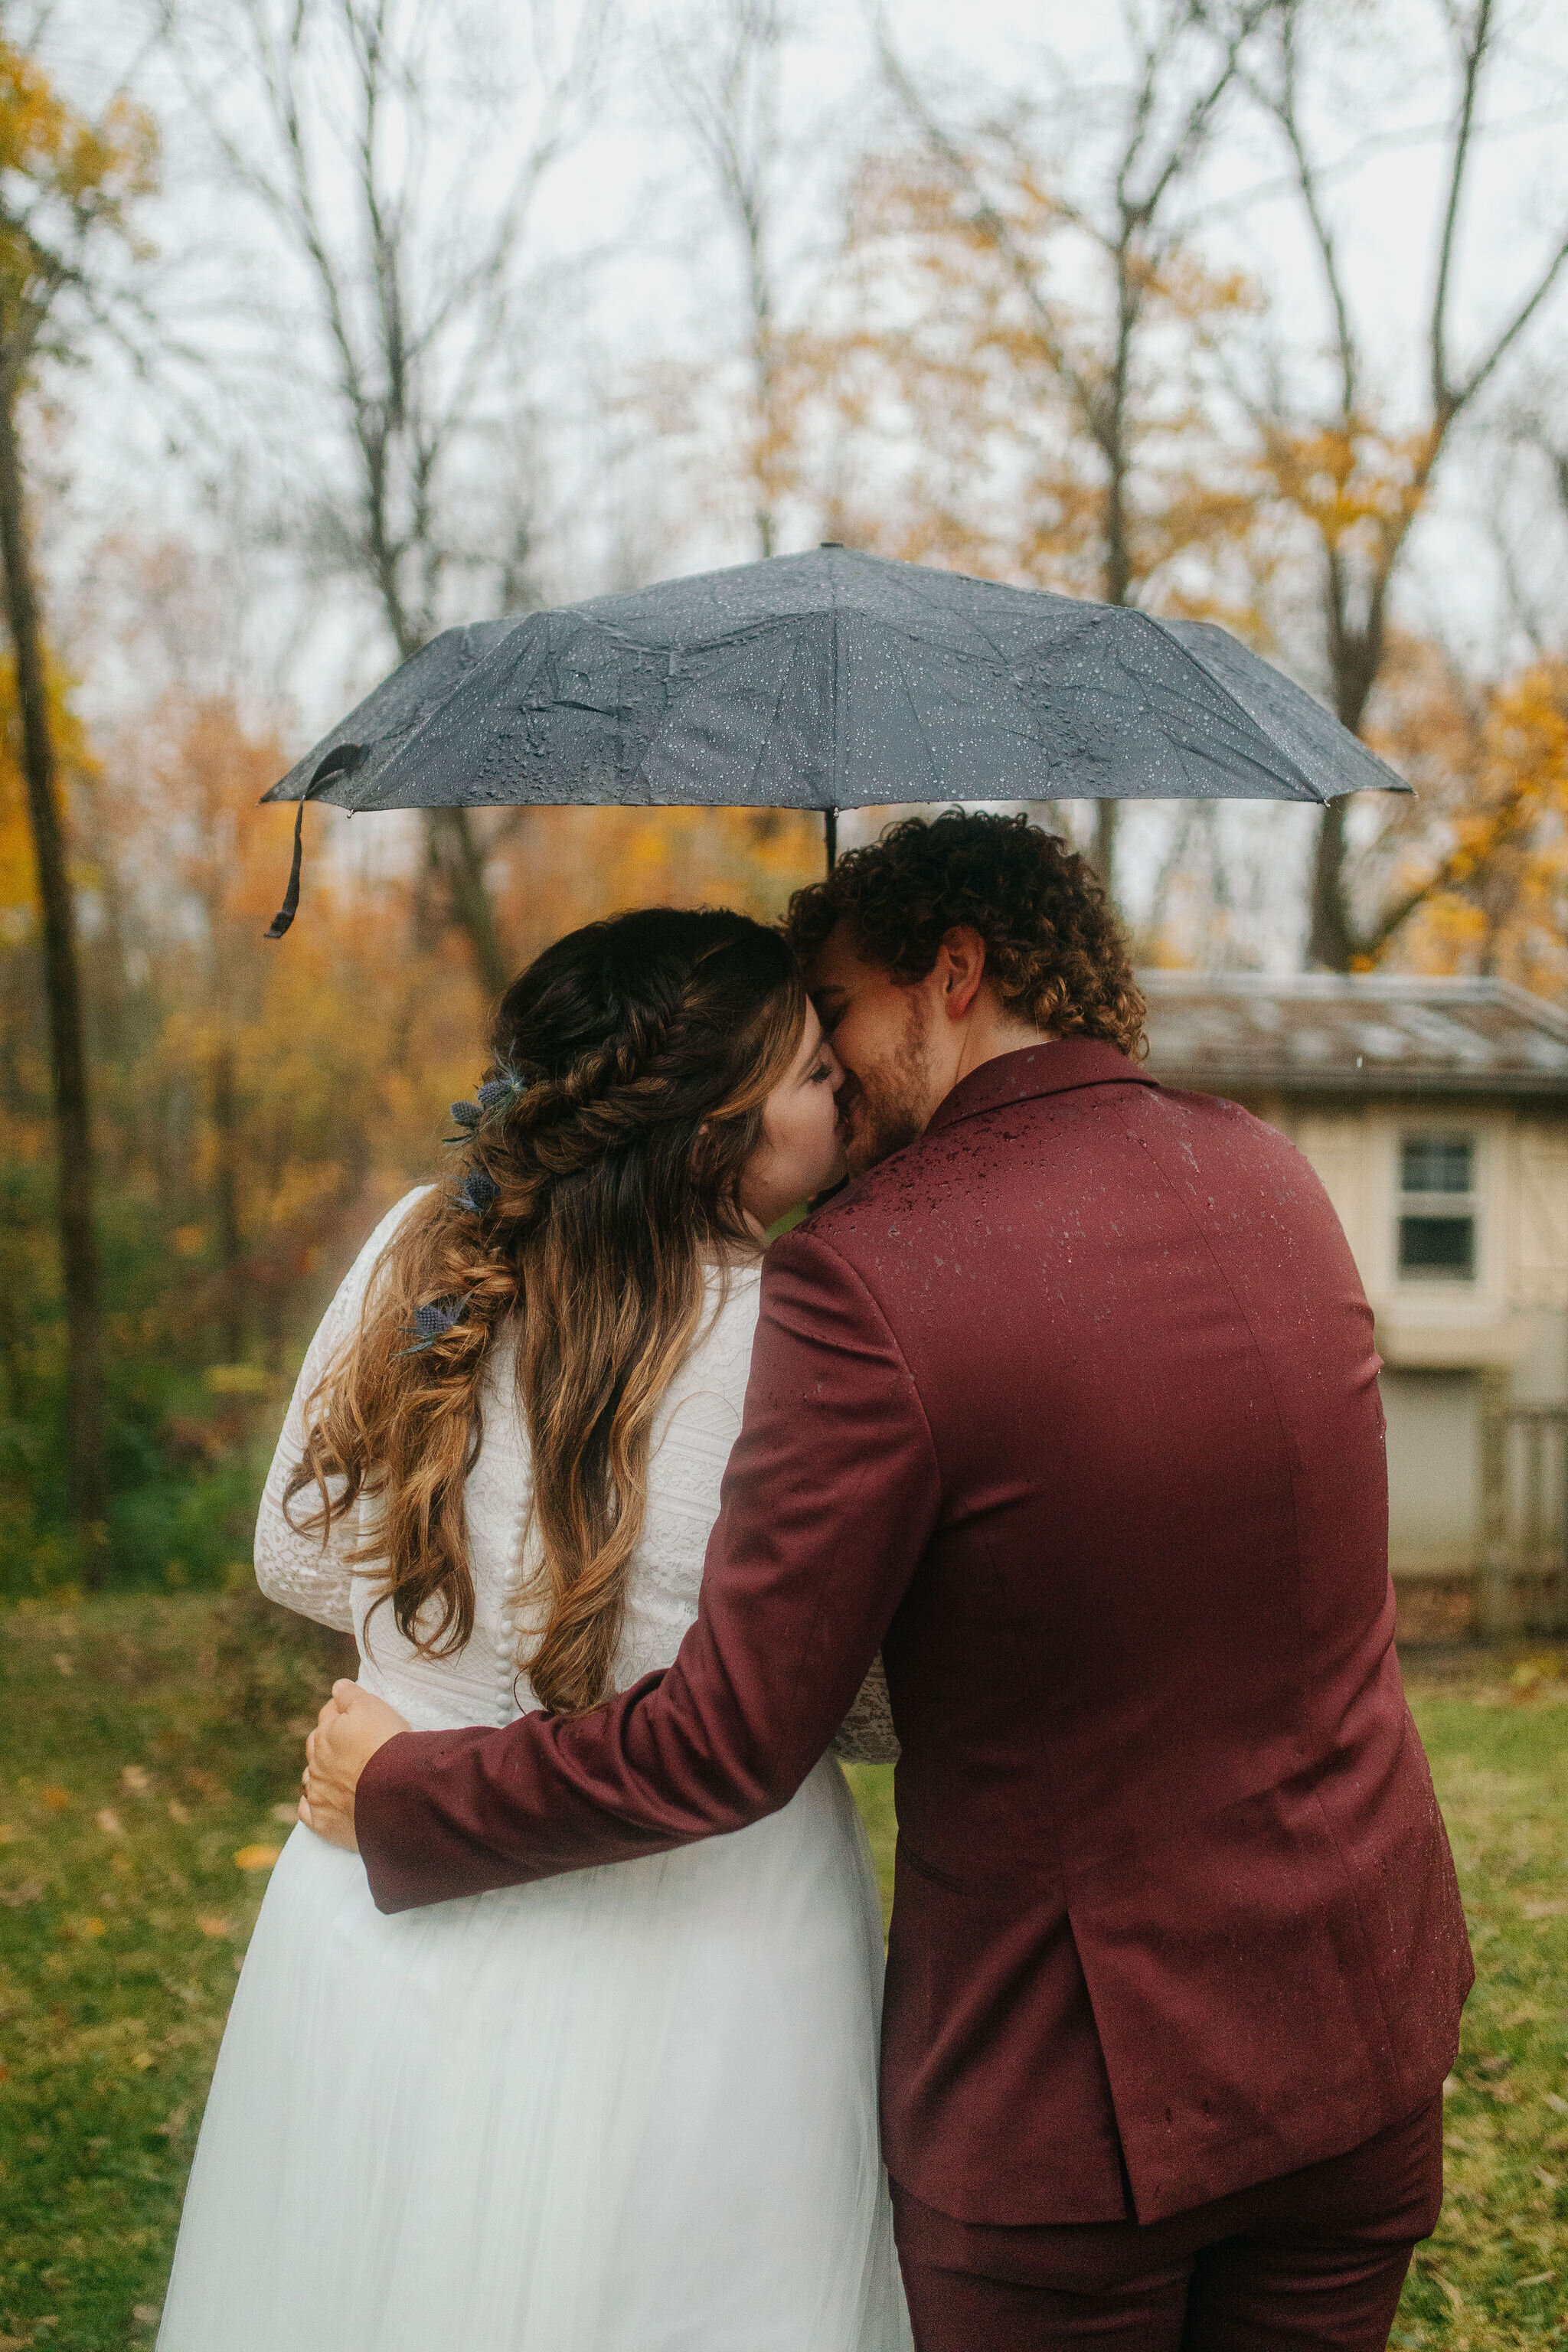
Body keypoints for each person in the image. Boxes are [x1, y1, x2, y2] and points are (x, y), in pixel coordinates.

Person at [306, 810, 1475, 2352]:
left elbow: (725, 1741)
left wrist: (409, 1792)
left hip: (1076, 2111)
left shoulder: (868, 1270)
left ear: (955, 972)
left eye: (839, 1006)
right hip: (1363, 2031)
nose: (831, 1063)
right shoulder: (1268, 1173)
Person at [156, 908, 912, 2352]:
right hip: (707, 1931)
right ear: (722, 1137)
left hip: (382, 1876)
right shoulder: (799, 1330)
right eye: (817, 1075)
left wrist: (448, 1672)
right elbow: (850, 1707)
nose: (848, 1095)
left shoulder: (428, 1248)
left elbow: (297, 1555)